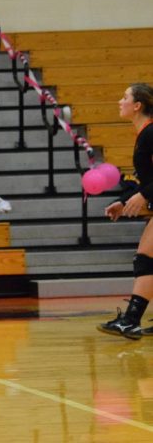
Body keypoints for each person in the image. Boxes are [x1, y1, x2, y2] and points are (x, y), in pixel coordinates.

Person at [98, 83, 153, 340]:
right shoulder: (144, 133)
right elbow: (145, 180)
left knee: (145, 258)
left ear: (138, 105)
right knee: (147, 259)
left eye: (125, 97)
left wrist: (144, 195)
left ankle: (130, 321)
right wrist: (125, 200)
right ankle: (131, 320)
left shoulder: (150, 133)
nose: (121, 102)